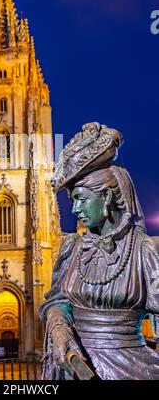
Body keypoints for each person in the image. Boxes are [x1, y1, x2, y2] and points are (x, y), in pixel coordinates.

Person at [39, 122, 159, 380]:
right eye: (72, 201)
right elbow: (56, 300)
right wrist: (59, 328)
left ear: (105, 197)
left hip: (132, 369)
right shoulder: (72, 249)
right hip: (75, 367)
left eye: (81, 199)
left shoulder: (143, 252)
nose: (74, 210)